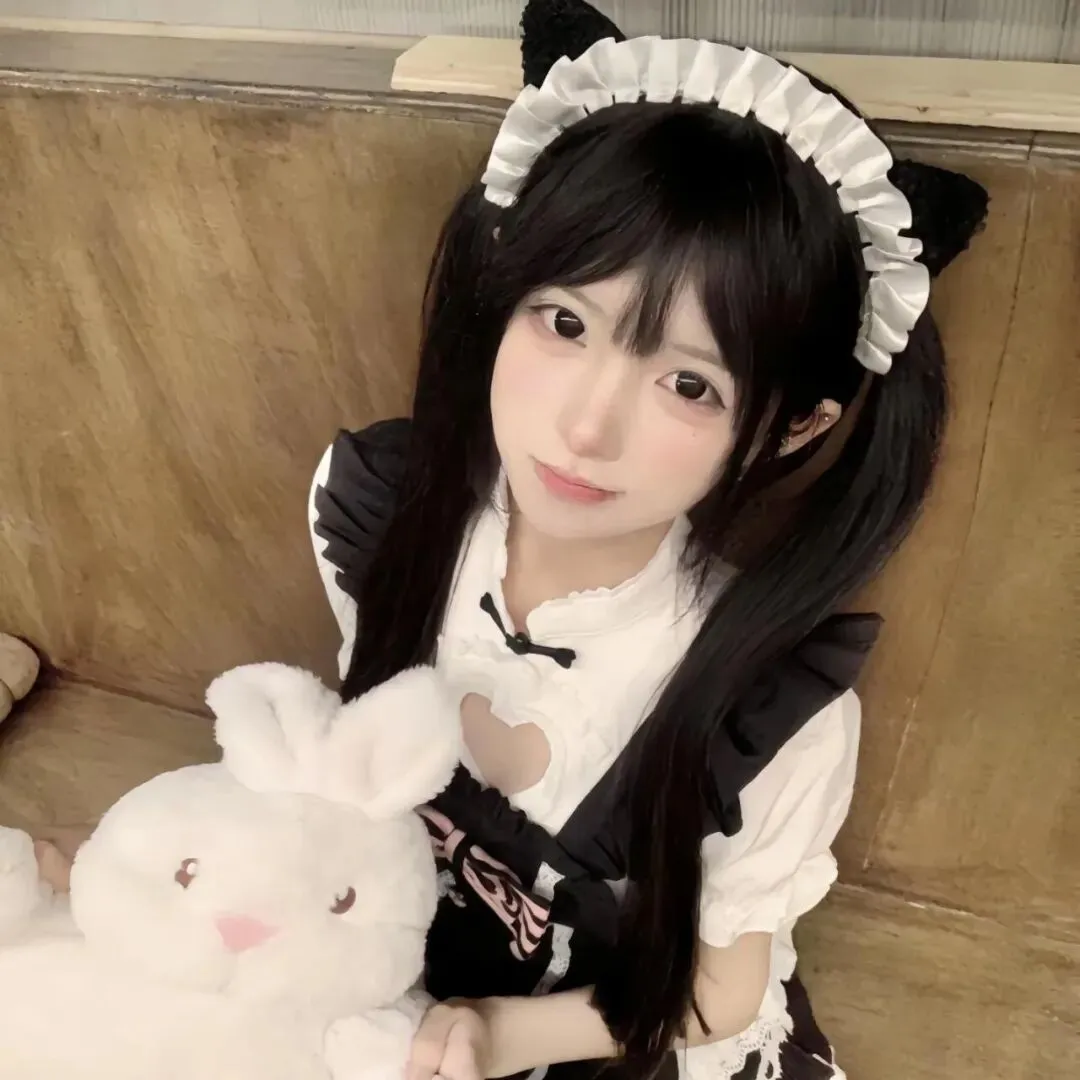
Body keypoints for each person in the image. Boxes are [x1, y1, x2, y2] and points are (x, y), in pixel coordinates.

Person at [35, 2, 988, 1077]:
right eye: (565, 323)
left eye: (688, 384)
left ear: (794, 426)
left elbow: (722, 991)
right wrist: (141, 877)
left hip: (608, 1028)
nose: (586, 427)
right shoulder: (383, 513)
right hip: (392, 953)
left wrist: (501, 1034)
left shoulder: (768, 708)